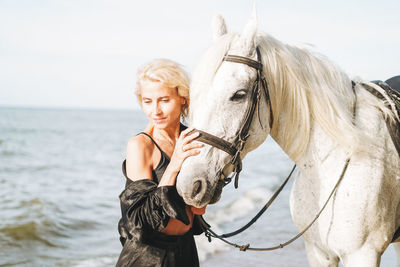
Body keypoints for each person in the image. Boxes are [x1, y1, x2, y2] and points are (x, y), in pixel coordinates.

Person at [116, 59, 208, 267]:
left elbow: (199, 209)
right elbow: (140, 222)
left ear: (183, 98)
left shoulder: (190, 138)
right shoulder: (141, 145)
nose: (155, 111)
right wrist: (175, 163)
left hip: (186, 251)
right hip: (148, 256)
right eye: (148, 101)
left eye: (164, 100)